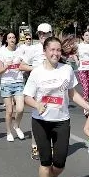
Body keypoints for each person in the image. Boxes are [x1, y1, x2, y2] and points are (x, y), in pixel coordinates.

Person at [23, 36, 89, 177]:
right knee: (45, 161)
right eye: (52, 50)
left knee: (60, 162)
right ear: (45, 52)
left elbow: (72, 94)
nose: (55, 53)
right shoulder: (37, 72)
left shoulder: (66, 69)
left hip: (61, 120)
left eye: (58, 50)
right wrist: (37, 105)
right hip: (41, 122)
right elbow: (27, 97)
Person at [21, 23, 53, 159]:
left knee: (52, 117)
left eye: (45, 33)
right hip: (37, 89)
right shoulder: (33, 49)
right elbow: (21, 65)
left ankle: (50, 145)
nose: (43, 36)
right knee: (38, 117)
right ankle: (35, 146)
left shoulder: (55, 47)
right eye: (40, 33)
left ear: (51, 34)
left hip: (53, 88)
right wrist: (35, 69)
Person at [0, 32, 25, 142]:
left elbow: (24, 63)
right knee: (9, 111)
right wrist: (6, 66)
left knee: (20, 109)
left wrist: (22, 67)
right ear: (6, 40)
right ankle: (9, 132)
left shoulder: (20, 50)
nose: (12, 39)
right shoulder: (2, 51)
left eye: (13, 37)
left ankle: (16, 126)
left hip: (18, 82)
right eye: (10, 38)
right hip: (6, 83)